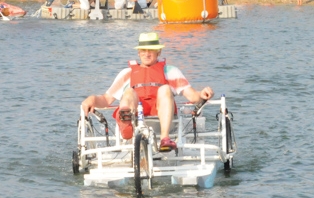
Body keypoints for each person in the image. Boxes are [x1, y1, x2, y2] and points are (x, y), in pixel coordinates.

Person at [80, 32, 214, 152]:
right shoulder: (127, 74)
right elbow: (106, 100)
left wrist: (201, 94)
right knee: (128, 92)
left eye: (151, 50)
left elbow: (192, 95)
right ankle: (126, 122)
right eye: (143, 50)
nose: (147, 53)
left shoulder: (171, 72)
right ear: (138, 53)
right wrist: (91, 99)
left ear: (159, 52)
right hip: (137, 119)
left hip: (164, 118)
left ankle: (165, 139)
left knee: (165, 89)